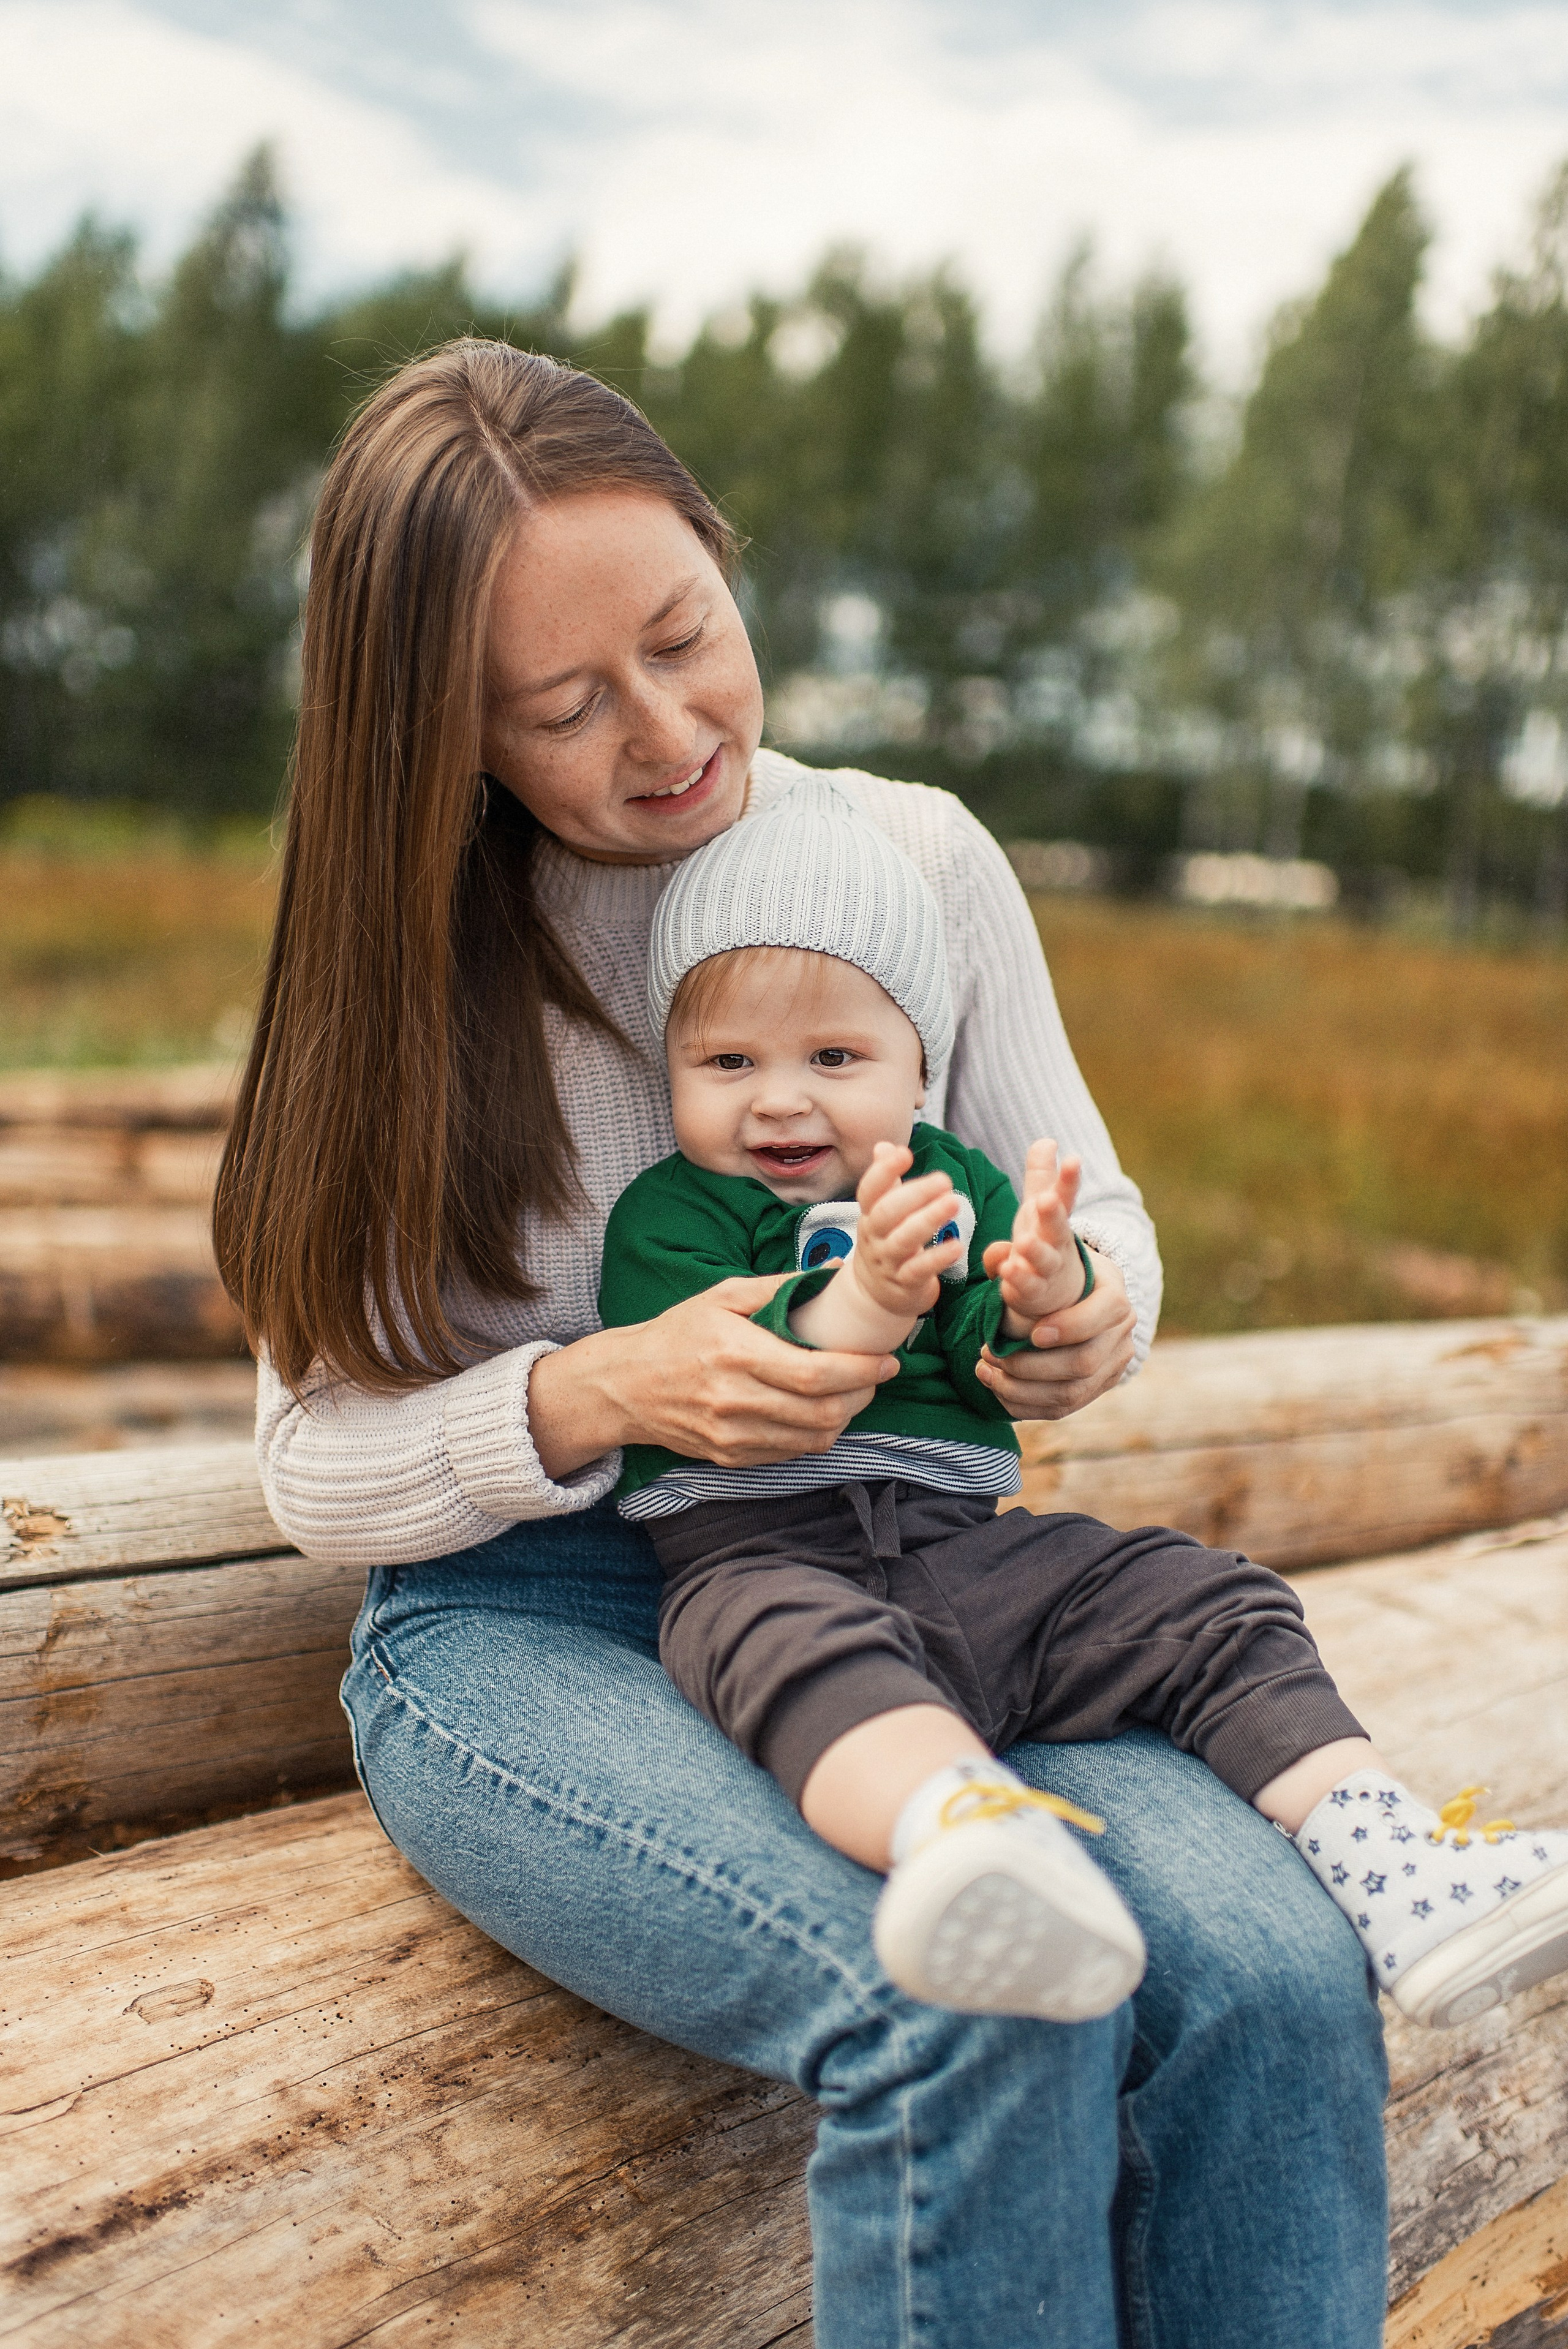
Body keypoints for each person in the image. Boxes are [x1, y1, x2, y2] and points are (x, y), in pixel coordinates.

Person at [216, 337, 1393, 2349]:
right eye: (567, 707)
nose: (669, 729)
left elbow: (1096, 1215)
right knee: (978, 1979)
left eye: (691, 632)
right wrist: (605, 1387)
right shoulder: (400, 967)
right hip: (538, 1618)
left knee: (1279, 1971)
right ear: (445, 739)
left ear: (725, 560)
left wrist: (1068, 1319)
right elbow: (311, 1460)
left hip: (928, 1573)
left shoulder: (914, 856)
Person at [600, 775, 1568, 2034]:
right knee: (794, 1665)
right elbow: (769, 1357)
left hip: (968, 1552)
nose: (778, 1098)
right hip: (760, 1552)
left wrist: (1050, 1278)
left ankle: (1386, 1856)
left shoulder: (951, 1177)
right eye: (726, 1061)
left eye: (833, 1057)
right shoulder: (670, 1213)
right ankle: (972, 1842)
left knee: (1204, 1597)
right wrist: (870, 1293)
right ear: (672, 1067)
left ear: (916, 1065)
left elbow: (1009, 1334)